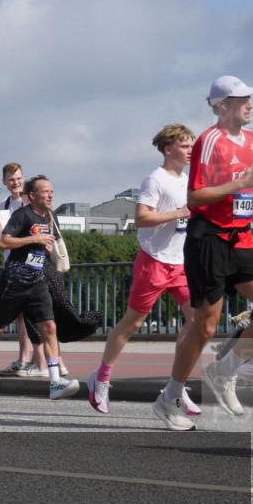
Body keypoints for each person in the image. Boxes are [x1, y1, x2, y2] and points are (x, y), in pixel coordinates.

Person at [154, 76, 253, 430]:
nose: (250, 104)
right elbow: (196, 198)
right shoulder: (209, 140)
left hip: (241, 236)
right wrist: (239, 184)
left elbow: (240, 188)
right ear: (222, 106)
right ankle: (170, 395)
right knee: (204, 326)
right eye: (241, 99)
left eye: (250, 98)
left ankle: (224, 371)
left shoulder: (249, 139)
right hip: (209, 240)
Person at [88, 125, 197, 414]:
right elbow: (141, 218)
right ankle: (101, 377)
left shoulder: (188, 180)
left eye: (191, 146)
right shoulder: (155, 180)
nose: (190, 151)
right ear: (168, 148)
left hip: (180, 263)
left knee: (197, 322)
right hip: (154, 261)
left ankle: (176, 386)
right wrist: (178, 213)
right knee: (133, 323)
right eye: (185, 146)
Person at [0, 175, 80, 400]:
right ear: (32, 196)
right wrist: (33, 239)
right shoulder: (22, 215)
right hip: (14, 282)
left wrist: (43, 246)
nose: (50, 195)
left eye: (52, 192)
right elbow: (5, 242)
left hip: (37, 280)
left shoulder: (49, 217)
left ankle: (55, 382)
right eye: (46, 192)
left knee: (50, 327)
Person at [0, 163, 40, 377]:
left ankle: (43, 360)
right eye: (12, 179)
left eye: (19, 178)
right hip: (11, 259)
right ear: (4, 182)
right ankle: (24, 356)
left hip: (31, 259)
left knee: (36, 310)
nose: (16, 183)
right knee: (20, 313)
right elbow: (6, 236)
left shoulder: (30, 200)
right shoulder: (3, 204)